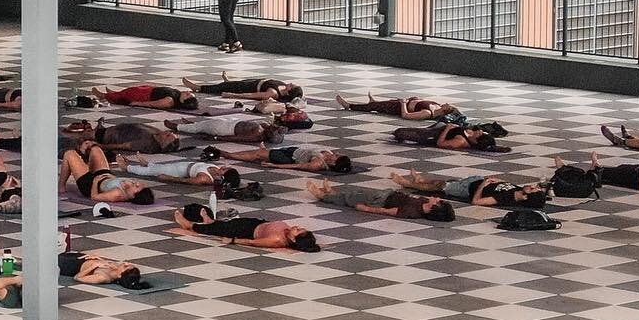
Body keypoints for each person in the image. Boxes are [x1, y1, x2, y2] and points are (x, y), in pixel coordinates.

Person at [170, 204, 319, 251]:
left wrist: (234, 240)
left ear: (293, 239)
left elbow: (253, 242)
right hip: (256, 223)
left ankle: (189, 225)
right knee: (224, 224)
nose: (297, 227)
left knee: (221, 229)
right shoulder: (286, 232)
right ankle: (210, 221)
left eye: (298, 230)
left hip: (247, 231)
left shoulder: (276, 240)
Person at [306, 178, 454, 221]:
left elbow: (387, 211)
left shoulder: (412, 211)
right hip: (387, 195)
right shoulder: (422, 203)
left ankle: (324, 196)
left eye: (438, 201)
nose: (435, 198)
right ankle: (332, 193)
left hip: (380, 201)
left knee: (351, 198)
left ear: (434, 208)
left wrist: (367, 209)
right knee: (357, 192)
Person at [390, 169, 550, 208]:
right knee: (441, 182)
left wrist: (483, 185)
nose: (533, 186)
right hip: (475, 180)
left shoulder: (505, 198)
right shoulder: (517, 189)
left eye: (533, 189)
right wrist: (495, 180)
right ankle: (421, 180)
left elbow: (476, 202)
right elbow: (503, 184)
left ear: (527, 196)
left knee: (440, 186)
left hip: (467, 189)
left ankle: (407, 183)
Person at [59, 146, 154, 204]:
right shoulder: (129, 188)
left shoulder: (117, 194)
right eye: (138, 184)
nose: (136, 183)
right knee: (95, 149)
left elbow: (94, 197)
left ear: (133, 196)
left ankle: (61, 186)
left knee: (69, 154)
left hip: (89, 183)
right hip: (104, 174)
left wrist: (95, 182)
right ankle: (83, 166)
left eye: (137, 187)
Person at [113, 154, 238, 187]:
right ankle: (147, 164)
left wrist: (168, 178)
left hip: (179, 171)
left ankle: (127, 168)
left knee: (154, 171)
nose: (224, 167)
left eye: (225, 169)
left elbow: (186, 181)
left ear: (222, 175)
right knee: (158, 167)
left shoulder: (204, 178)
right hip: (186, 165)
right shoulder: (216, 170)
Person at [63, 119, 180, 154]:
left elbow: (125, 146)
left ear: (163, 143)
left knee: (80, 136)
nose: (167, 132)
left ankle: (64, 135)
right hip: (117, 130)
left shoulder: (148, 143)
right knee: (87, 133)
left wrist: (103, 146)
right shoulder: (158, 133)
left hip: (109, 136)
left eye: (168, 135)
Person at [220, 145, 353, 173]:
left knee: (258, 154)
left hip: (289, 158)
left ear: (333, 163)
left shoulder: (317, 163)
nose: (334, 153)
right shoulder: (329, 156)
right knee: (260, 152)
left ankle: (228, 155)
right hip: (294, 151)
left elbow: (298, 166)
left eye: (335, 156)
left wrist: (275, 166)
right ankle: (230, 154)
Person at [165, 115, 283, 145]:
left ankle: (177, 127)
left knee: (200, 127)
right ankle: (195, 124)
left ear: (269, 134)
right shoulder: (265, 126)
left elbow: (238, 138)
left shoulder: (257, 135)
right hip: (232, 121)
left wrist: (217, 138)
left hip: (225, 129)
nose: (273, 126)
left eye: (274, 129)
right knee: (206, 123)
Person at [336, 94, 461, 121]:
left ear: (446, 110)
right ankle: (374, 103)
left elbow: (406, 115)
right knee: (379, 105)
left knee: (377, 107)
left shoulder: (428, 113)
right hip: (405, 102)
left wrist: (403, 104)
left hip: (399, 106)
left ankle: (349, 106)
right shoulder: (437, 105)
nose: (447, 103)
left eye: (449, 105)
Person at [58, 250, 148, 288]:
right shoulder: (116, 267)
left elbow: (78, 277)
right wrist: (97, 258)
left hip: (70, 265)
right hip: (80, 258)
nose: (125, 263)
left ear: (120, 275)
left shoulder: (103, 277)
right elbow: (103, 263)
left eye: (125, 266)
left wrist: (93, 266)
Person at [391, 123, 505, 153]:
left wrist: (447, 128)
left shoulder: (460, 141)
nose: (480, 131)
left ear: (476, 140)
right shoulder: (472, 133)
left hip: (432, 136)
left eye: (480, 134)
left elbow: (440, 143)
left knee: (400, 132)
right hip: (437, 129)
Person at [181, 75, 303, 102]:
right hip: (252, 82)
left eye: (292, 86)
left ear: (289, 91)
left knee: (222, 87)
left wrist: (233, 95)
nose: (291, 83)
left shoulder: (273, 93)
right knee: (231, 83)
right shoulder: (281, 86)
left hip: (246, 88)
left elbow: (252, 95)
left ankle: (198, 88)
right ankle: (229, 82)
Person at [90, 84, 198, 111]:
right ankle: (115, 93)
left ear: (184, 101)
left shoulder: (169, 101)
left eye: (188, 95)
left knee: (129, 93)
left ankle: (104, 96)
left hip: (146, 96)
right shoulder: (177, 95)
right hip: (150, 90)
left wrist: (139, 103)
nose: (187, 92)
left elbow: (153, 104)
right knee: (129, 90)